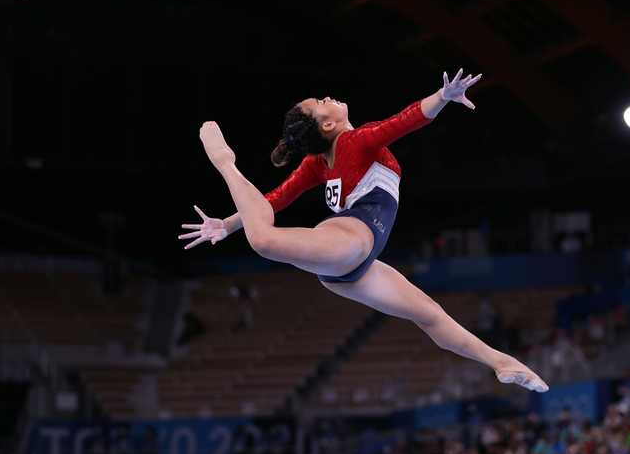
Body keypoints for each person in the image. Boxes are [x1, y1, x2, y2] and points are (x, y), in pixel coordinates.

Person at [180, 69, 547, 392]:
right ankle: (225, 163)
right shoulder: (349, 143)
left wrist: (226, 225)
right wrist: (443, 97)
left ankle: (501, 362)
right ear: (327, 125)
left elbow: (270, 201)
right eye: (321, 103)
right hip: (350, 243)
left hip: (352, 268)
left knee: (430, 315)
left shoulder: (328, 157)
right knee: (263, 239)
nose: (327, 97)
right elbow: (403, 121)